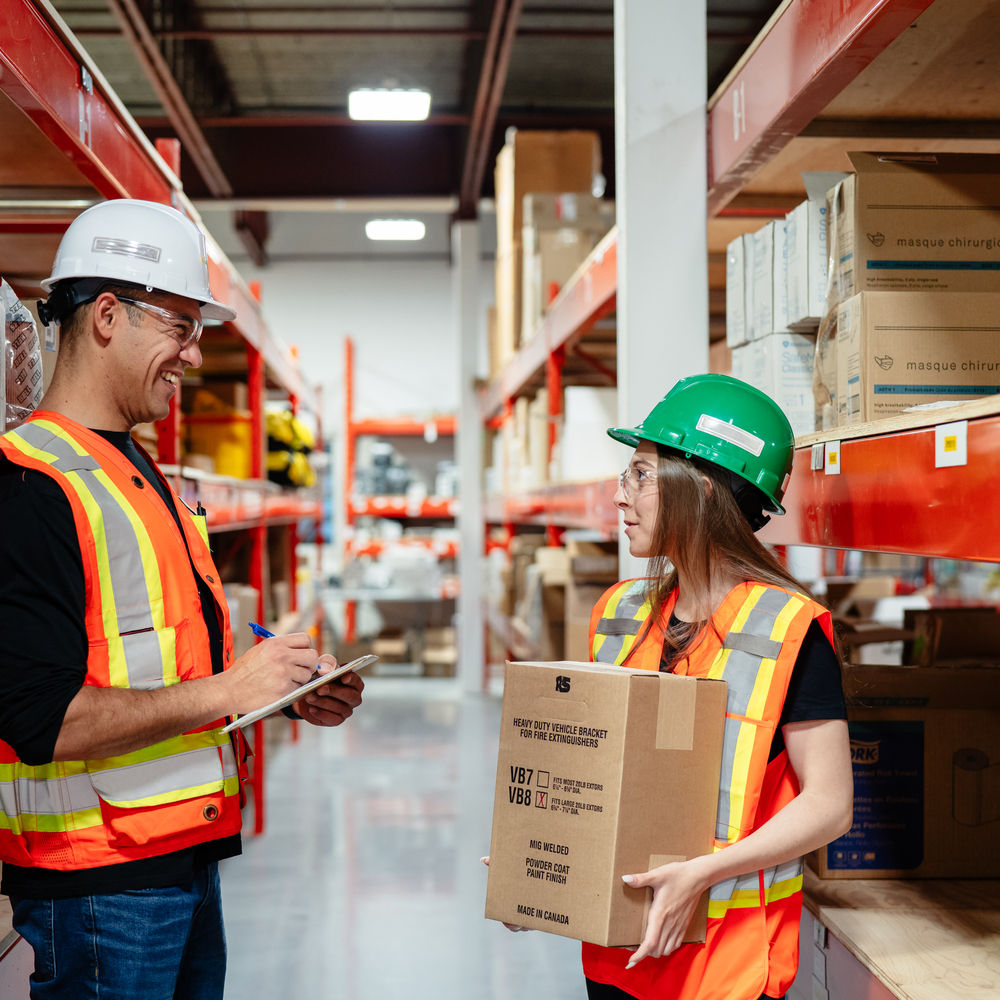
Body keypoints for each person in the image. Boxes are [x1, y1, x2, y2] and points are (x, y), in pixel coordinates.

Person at [0, 198, 364, 999]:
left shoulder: (136, 474)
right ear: (106, 315)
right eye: (180, 327)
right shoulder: (32, 485)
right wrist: (231, 689)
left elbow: (154, 661)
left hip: (176, 866)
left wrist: (280, 691)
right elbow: (40, 717)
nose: (194, 356)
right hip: (95, 886)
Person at [582, 374, 853, 1000]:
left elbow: (831, 803)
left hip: (722, 970)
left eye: (640, 474)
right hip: (618, 954)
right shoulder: (621, 614)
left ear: (700, 488)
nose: (622, 496)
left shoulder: (788, 629)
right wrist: (543, 860)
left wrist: (705, 873)